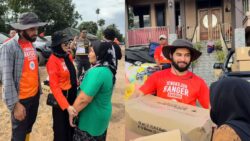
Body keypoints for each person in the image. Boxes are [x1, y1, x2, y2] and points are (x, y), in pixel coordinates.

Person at [0, 12, 46, 141]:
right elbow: (7, 79)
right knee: (18, 136)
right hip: (21, 100)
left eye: (36, 28)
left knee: (28, 129)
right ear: (20, 30)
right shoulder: (8, 47)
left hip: (34, 96)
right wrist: (15, 105)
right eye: (32, 29)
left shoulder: (32, 45)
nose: (35, 32)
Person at [138, 39, 209, 109]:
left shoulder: (199, 82)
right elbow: (138, 95)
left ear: (190, 58)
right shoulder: (158, 76)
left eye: (187, 55)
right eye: (179, 55)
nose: (183, 59)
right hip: (161, 119)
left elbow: (211, 109)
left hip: (185, 120)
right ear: (171, 55)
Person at [69, 41, 115, 141]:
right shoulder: (108, 68)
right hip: (101, 116)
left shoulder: (98, 72)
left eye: (92, 51)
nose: (89, 54)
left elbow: (83, 99)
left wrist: (72, 113)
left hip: (91, 118)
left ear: (100, 54)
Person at [46, 30, 77, 141]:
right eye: (65, 43)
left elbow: (72, 74)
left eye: (68, 42)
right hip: (61, 100)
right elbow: (54, 87)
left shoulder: (67, 56)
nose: (68, 45)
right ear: (57, 44)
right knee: (61, 129)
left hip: (72, 94)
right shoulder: (52, 61)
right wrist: (67, 106)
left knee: (72, 126)